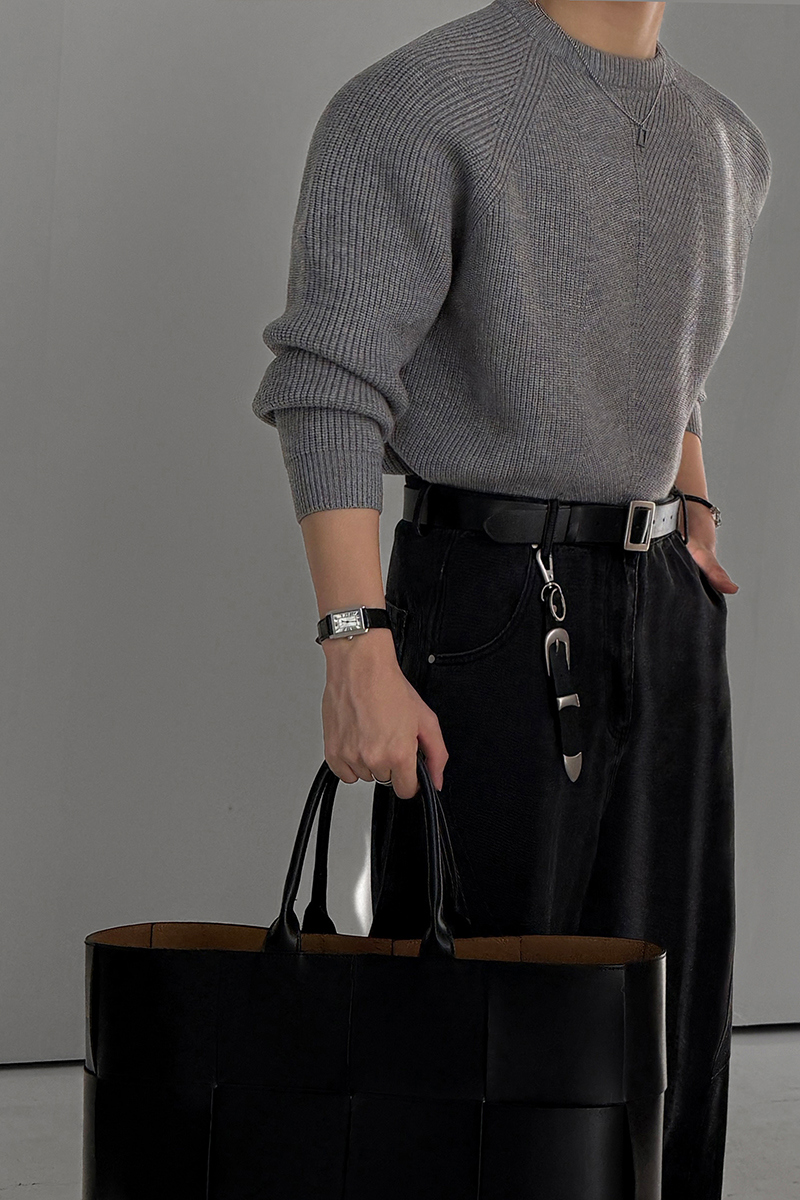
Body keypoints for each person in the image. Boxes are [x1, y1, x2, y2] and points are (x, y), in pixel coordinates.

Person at [251, 1, 772, 1195]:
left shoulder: (723, 139)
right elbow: (330, 382)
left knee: (664, 1025)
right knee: (475, 1025)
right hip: (486, 601)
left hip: (664, 606)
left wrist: (691, 503)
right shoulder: (414, 102)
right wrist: (354, 643)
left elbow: (666, 364)